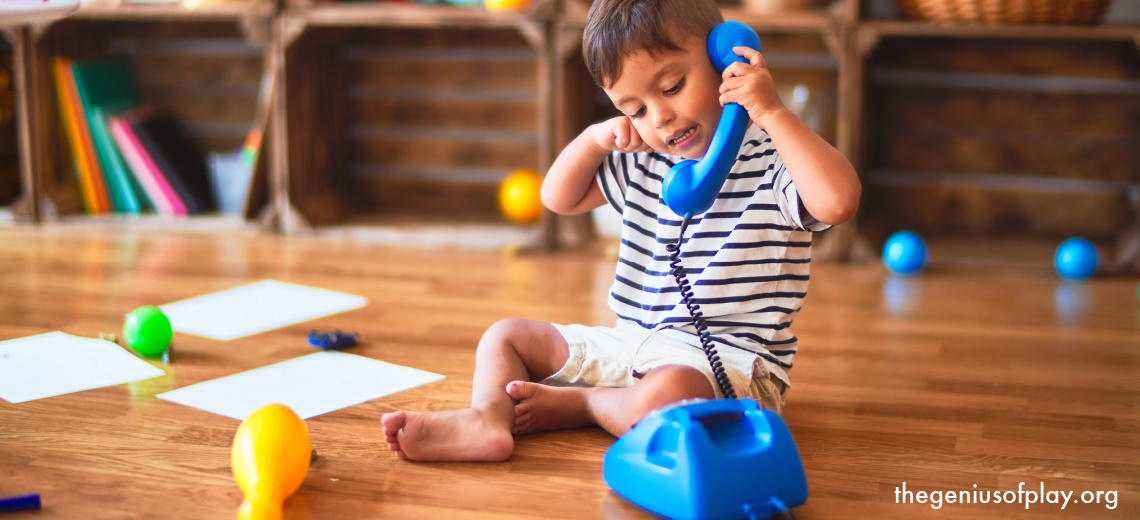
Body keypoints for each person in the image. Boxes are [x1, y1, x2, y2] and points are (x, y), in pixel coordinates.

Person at [381, 0, 860, 462]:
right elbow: (557, 198)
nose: (659, 118)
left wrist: (773, 112)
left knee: (673, 393)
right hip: (633, 343)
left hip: (726, 366)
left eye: (672, 86)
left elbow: (837, 202)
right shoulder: (649, 162)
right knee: (504, 337)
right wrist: (593, 140)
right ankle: (486, 417)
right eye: (636, 109)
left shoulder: (776, 158)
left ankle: (586, 405)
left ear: (724, 58)